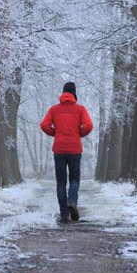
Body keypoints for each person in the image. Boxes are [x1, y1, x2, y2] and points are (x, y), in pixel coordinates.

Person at [40, 81, 93, 223]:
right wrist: (79, 134)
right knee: (75, 179)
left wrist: (55, 133)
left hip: (59, 149)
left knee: (61, 182)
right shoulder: (80, 109)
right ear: (74, 94)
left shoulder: (54, 109)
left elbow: (44, 125)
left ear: (63, 93)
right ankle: (72, 201)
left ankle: (64, 214)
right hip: (75, 148)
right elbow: (89, 125)